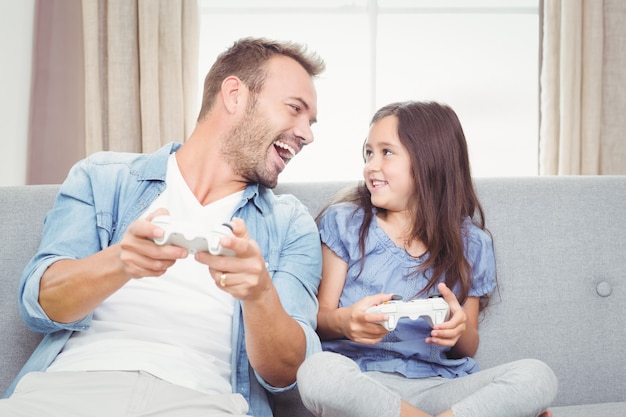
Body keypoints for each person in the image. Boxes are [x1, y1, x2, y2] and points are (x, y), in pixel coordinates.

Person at [0, 37, 325, 417]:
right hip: (71, 387)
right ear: (234, 95)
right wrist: (121, 261)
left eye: (310, 121)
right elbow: (40, 304)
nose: (307, 134)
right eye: (294, 109)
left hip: (203, 401)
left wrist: (259, 295)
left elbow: (288, 373)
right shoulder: (104, 178)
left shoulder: (291, 224)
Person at [296, 101, 558, 417]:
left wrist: (458, 329)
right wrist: (346, 321)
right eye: (368, 153)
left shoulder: (472, 243)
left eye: (386, 152)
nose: (371, 165)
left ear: (428, 162)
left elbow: (468, 345)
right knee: (318, 372)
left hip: (438, 386)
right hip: (366, 387)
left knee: (537, 376)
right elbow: (321, 320)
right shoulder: (346, 222)